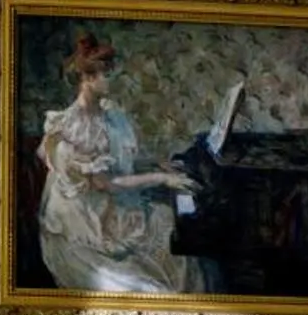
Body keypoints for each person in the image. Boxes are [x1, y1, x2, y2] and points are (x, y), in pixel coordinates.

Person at [36, 31, 207, 296]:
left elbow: (119, 159)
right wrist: (162, 179)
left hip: (111, 208)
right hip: (87, 224)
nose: (113, 79)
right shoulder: (74, 127)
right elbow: (107, 182)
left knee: (179, 238)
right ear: (88, 79)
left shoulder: (110, 113)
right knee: (153, 281)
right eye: (108, 74)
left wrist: (159, 164)